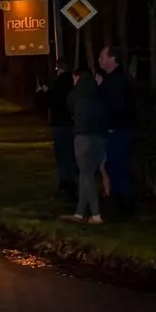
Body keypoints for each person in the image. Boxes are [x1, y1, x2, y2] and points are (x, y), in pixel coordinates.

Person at [63, 67, 108, 224]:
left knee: (86, 175)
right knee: (86, 174)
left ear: (76, 77)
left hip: (82, 137)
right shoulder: (99, 93)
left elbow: (70, 111)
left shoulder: (75, 94)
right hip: (99, 137)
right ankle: (79, 213)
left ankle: (96, 215)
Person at [96, 44, 136, 213]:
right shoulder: (113, 79)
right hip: (117, 129)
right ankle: (120, 200)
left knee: (117, 165)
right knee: (113, 165)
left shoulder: (116, 80)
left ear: (112, 59)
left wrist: (101, 88)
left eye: (102, 56)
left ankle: (123, 201)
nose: (100, 60)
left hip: (119, 130)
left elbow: (114, 105)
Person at [46, 60, 77, 197]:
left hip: (59, 124)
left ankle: (65, 184)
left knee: (62, 155)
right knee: (71, 154)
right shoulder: (74, 82)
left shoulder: (56, 84)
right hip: (72, 123)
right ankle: (72, 182)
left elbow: (51, 102)